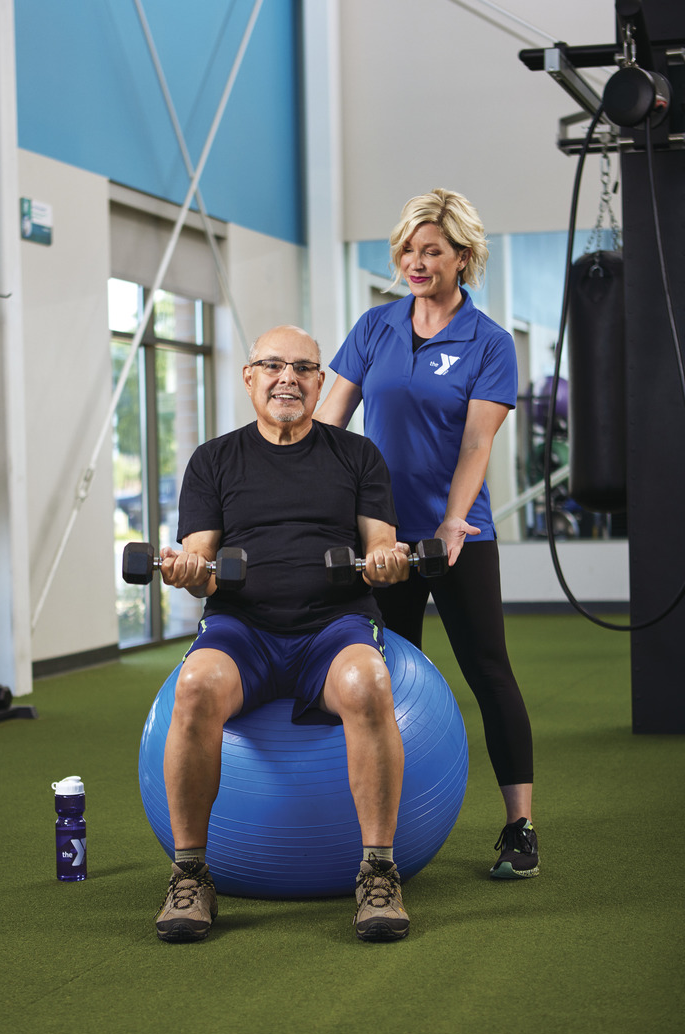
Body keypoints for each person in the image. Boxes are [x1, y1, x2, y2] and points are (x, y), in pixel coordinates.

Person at [155, 324, 414, 943]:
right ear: (249, 378)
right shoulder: (214, 460)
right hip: (243, 629)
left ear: (321, 382)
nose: (286, 378)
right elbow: (200, 563)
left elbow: (381, 543)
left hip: (334, 628)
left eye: (302, 368)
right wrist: (189, 571)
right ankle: (190, 876)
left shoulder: (357, 457)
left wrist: (387, 558)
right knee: (193, 687)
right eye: (271, 366)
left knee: (370, 681)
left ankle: (379, 873)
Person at [315, 189, 539, 880]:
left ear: (462, 258)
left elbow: (477, 444)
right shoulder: (376, 327)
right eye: (408, 249)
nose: (416, 260)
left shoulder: (489, 341)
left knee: (488, 672)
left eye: (431, 249)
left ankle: (519, 826)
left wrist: (451, 521)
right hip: (381, 539)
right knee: (382, 682)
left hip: (455, 538)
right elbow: (329, 427)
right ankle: (384, 831)